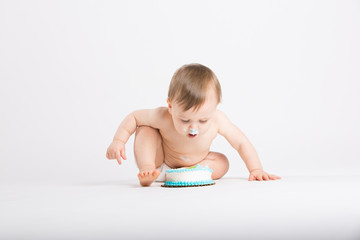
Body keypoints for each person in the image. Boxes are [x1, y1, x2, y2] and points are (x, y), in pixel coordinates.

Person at [106, 63, 281, 186]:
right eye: (184, 120)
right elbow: (134, 117)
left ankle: (186, 175)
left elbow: (241, 142)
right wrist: (118, 141)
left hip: (196, 166)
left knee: (222, 162)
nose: (194, 127)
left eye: (203, 120)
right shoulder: (162, 115)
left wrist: (256, 169)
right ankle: (148, 171)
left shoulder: (219, 119)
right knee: (145, 129)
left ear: (216, 106)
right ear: (170, 106)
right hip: (161, 162)